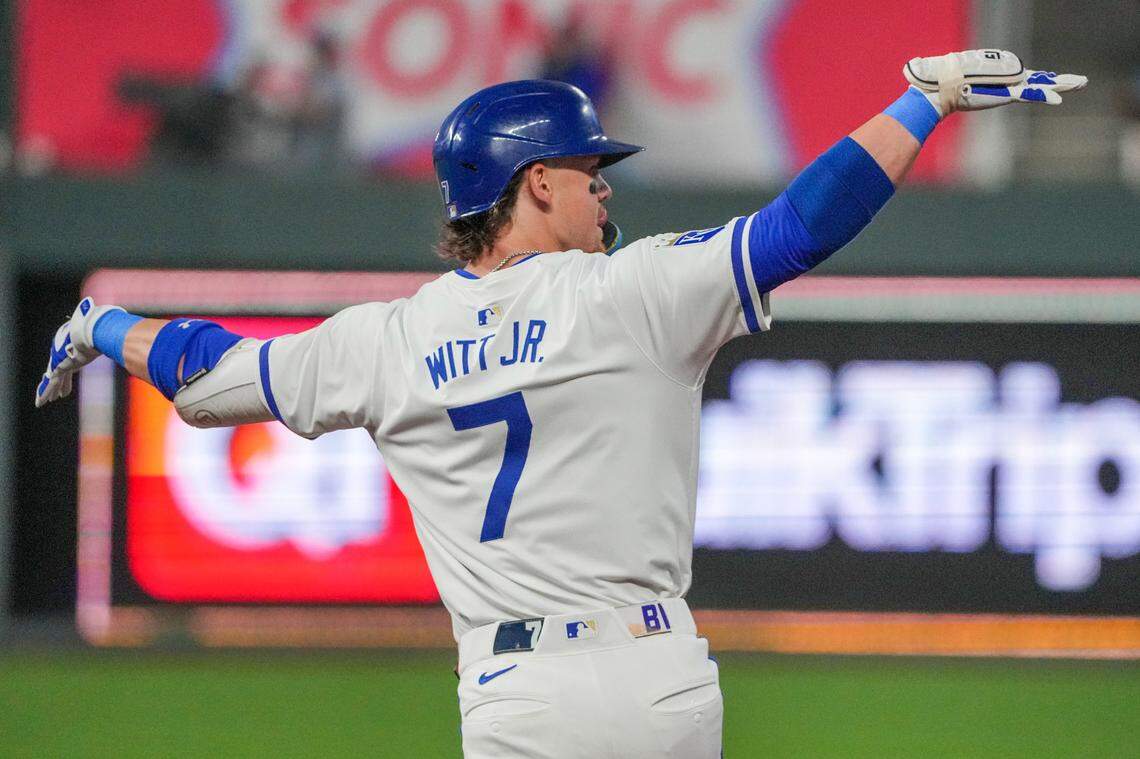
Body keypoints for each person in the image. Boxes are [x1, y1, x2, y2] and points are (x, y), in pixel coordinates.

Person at [37, 51, 1085, 758]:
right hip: (656, 678)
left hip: (517, 698)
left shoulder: (387, 343)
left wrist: (100, 328)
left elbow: (207, 371)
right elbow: (804, 223)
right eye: (589, 171)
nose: (606, 190)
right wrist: (926, 100)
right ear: (535, 183)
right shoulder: (632, 293)